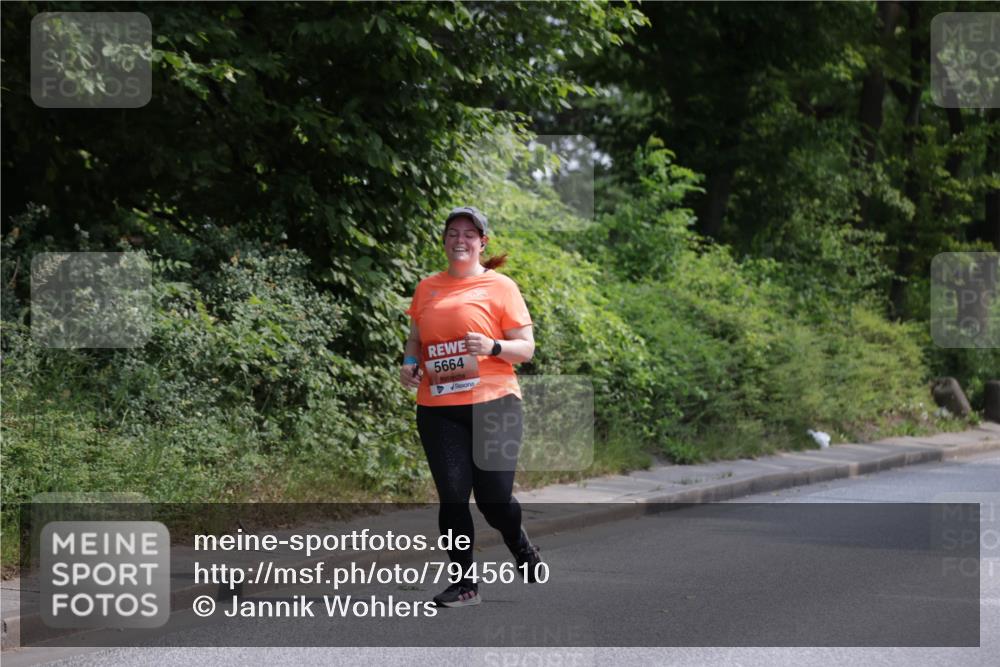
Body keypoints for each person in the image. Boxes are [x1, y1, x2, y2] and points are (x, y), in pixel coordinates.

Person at [401, 205, 542, 608]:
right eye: (453, 233)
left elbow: (526, 349)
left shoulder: (501, 287)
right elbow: (416, 340)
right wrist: (410, 365)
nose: (460, 239)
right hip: (439, 406)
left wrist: (492, 346)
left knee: (494, 499)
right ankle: (465, 584)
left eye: (469, 233)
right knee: (452, 497)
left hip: (494, 403)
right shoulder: (427, 287)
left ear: (483, 242)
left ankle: (519, 543)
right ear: (444, 240)